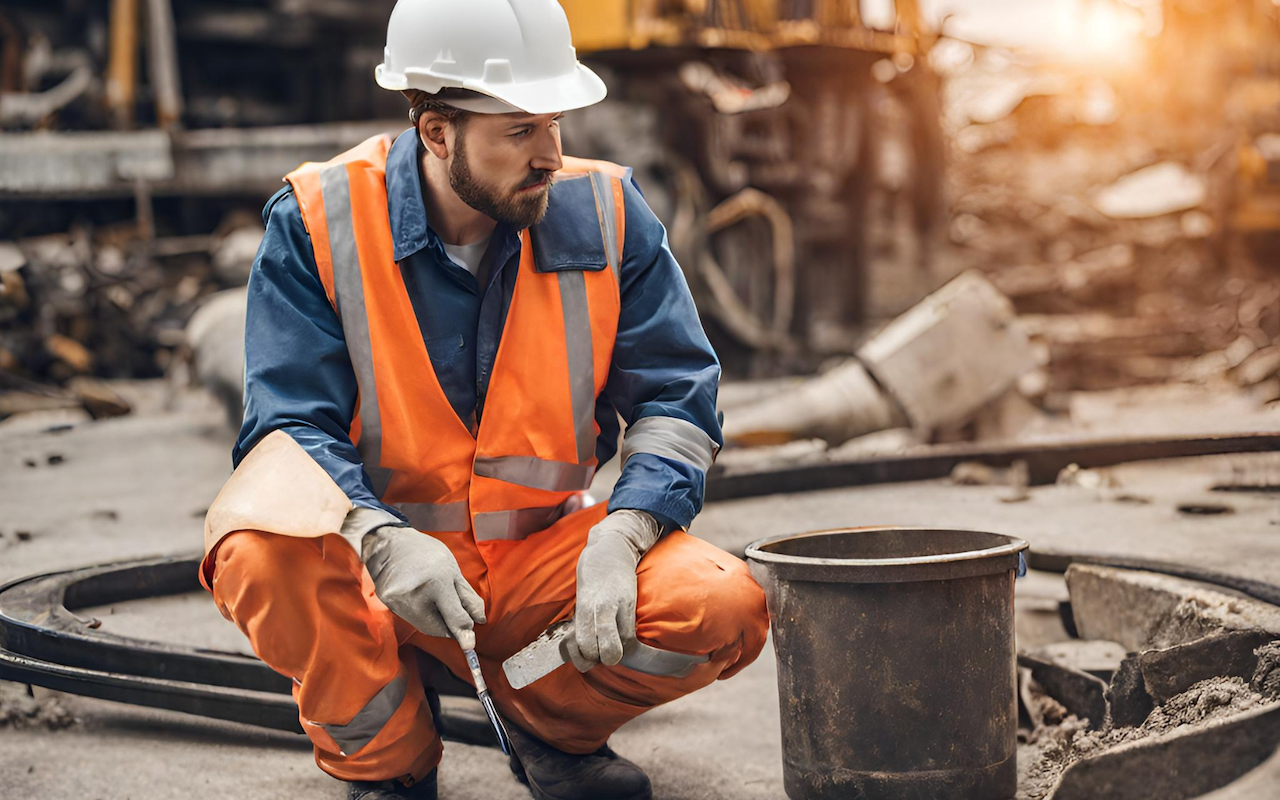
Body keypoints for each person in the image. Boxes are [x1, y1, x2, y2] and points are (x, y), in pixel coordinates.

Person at [199, 1, 769, 798]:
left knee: (720, 604)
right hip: (380, 573)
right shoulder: (320, 222)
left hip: (538, 562)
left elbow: (677, 395)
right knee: (257, 552)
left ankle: (546, 725)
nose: (551, 156)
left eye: (555, 125)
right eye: (520, 131)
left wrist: (625, 534)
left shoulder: (605, 214)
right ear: (437, 132)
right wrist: (382, 538)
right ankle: (390, 763)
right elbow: (289, 427)